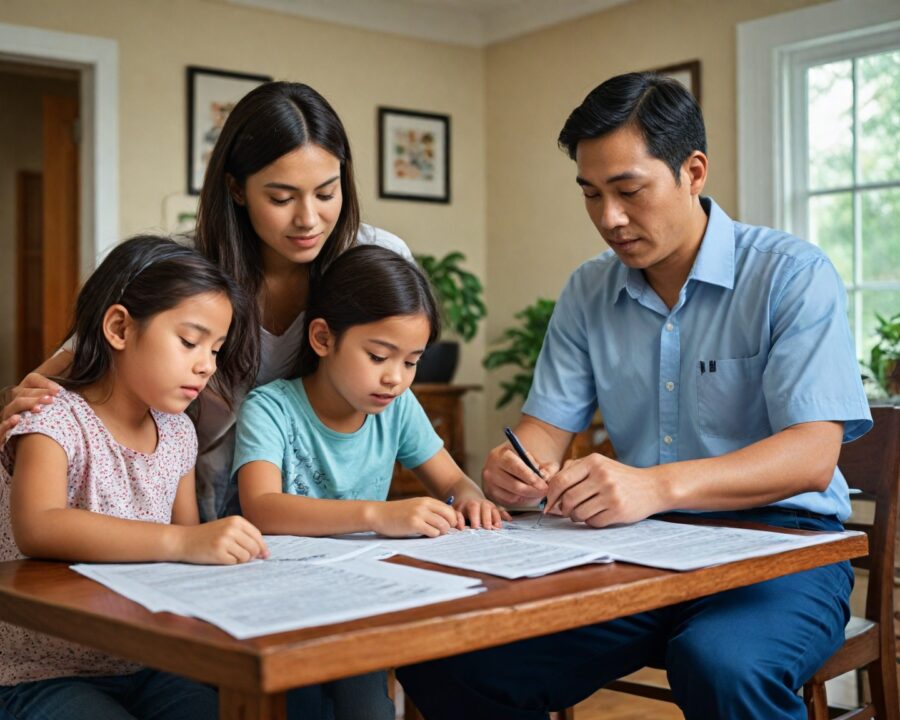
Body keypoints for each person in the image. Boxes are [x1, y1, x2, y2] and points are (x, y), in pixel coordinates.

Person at [397, 72, 872, 720]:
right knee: (451, 657)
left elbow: (811, 458)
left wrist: (658, 486)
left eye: (628, 191)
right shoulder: (587, 291)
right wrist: (516, 470)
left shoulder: (791, 274)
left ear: (694, 171)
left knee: (721, 664)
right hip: (640, 552)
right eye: (591, 194)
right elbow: (541, 434)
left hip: (785, 549)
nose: (609, 218)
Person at [0, 81, 414, 524]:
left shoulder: (374, 259)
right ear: (236, 189)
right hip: (199, 485)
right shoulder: (186, 270)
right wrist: (19, 404)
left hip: (324, 488)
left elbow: (397, 375)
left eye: (327, 193)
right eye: (281, 198)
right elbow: (64, 372)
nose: (308, 219)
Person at [0, 235, 268, 720]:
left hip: (149, 661)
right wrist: (183, 543)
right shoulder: (53, 417)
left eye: (216, 348)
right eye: (189, 341)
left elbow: (191, 541)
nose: (206, 364)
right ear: (120, 327)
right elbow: (38, 525)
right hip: (42, 671)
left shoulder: (179, 432)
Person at [236, 244, 505, 537]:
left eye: (411, 362)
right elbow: (261, 508)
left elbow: (454, 482)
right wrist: (377, 514)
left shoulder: (398, 406)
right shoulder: (270, 409)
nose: (395, 378)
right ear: (323, 338)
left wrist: (470, 499)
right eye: (377, 357)